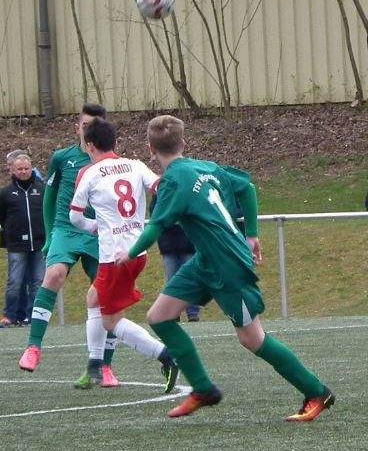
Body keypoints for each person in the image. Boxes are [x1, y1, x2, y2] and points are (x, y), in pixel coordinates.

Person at [116, 115, 334, 421]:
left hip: (228, 264)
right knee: (159, 317)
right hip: (206, 261)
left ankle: (317, 391)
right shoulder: (206, 167)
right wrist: (252, 234)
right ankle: (203, 389)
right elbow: (247, 188)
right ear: (183, 143)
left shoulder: (172, 182)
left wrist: (130, 252)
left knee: (252, 339)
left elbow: (156, 226)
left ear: (151, 149)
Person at [69, 118, 178, 392]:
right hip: (137, 250)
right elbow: (161, 187)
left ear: (89, 146)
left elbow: (75, 217)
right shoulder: (135, 165)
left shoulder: (89, 173)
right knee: (93, 298)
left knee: (111, 321)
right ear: (115, 142)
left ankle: (166, 355)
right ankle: (95, 365)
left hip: (114, 257)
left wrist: (94, 226)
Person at [18, 103, 121, 390]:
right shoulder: (62, 158)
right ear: (77, 128)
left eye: (95, 125)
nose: (89, 130)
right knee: (54, 274)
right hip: (66, 228)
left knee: (106, 295)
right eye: (85, 125)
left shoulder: (112, 162)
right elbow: (49, 198)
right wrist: (50, 235)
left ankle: (104, 366)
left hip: (98, 233)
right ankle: (33, 347)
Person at [0, 153, 46, 327]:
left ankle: (35, 316)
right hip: (17, 245)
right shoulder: (6, 193)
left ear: (31, 169)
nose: (23, 172)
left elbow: (49, 212)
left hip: (39, 244)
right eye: (20, 169)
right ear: (13, 170)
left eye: (26, 168)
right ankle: (9, 316)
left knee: (38, 282)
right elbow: (0, 216)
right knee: (15, 282)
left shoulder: (42, 190)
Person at [149, 194, 199, 322]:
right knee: (171, 281)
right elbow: (155, 212)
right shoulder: (160, 192)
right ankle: (173, 313)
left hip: (189, 243)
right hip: (168, 245)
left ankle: (192, 313)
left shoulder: (189, 189)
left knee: (191, 279)